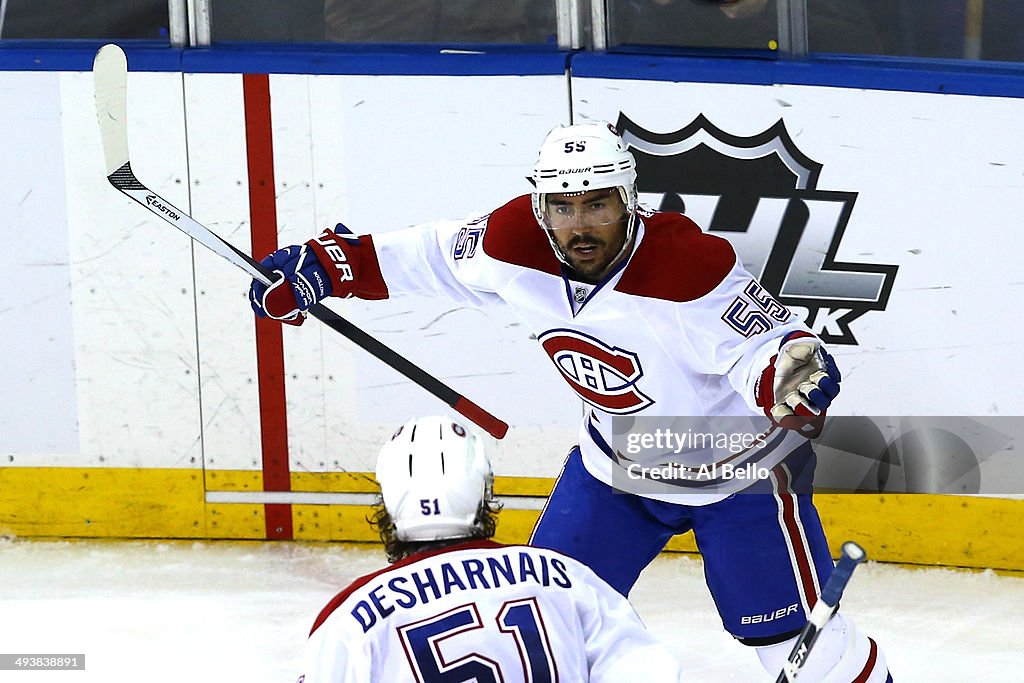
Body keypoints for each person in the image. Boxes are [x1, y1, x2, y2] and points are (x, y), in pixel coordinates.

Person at [253, 121, 893, 681]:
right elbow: (428, 256)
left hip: (738, 476)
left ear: (629, 201)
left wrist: (790, 373)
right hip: (613, 472)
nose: (579, 224)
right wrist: (326, 267)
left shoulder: (685, 265)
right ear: (540, 207)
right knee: (542, 622)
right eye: (561, 206)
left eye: (597, 205)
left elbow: (763, 343)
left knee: (797, 651)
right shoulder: (512, 245)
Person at [297, 415, 687, 682]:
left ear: (387, 501)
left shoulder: (349, 618)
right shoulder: (565, 577)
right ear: (484, 492)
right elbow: (646, 668)